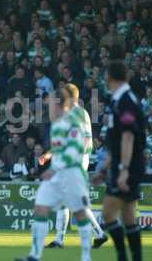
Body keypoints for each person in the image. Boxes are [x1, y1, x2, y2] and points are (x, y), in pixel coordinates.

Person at [15, 90, 92, 261]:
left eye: (49, 102)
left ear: (58, 103)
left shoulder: (74, 122)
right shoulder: (57, 124)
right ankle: (35, 255)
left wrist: (55, 168)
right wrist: (48, 156)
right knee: (40, 208)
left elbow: (75, 149)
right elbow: (59, 147)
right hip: (56, 174)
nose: (46, 105)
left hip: (72, 173)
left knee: (80, 213)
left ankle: (86, 257)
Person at [43, 83, 108, 249]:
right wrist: (49, 154)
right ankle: (95, 234)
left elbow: (87, 140)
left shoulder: (79, 112)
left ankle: (64, 238)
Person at [92, 61, 145, 261]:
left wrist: (123, 170)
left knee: (108, 212)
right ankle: (135, 258)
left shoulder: (126, 101)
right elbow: (117, 141)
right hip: (124, 164)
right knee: (129, 216)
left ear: (110, 77)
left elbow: (128, 137)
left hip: (128, 166)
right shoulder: (120, 99)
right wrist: (104, 168)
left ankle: (122, 256)